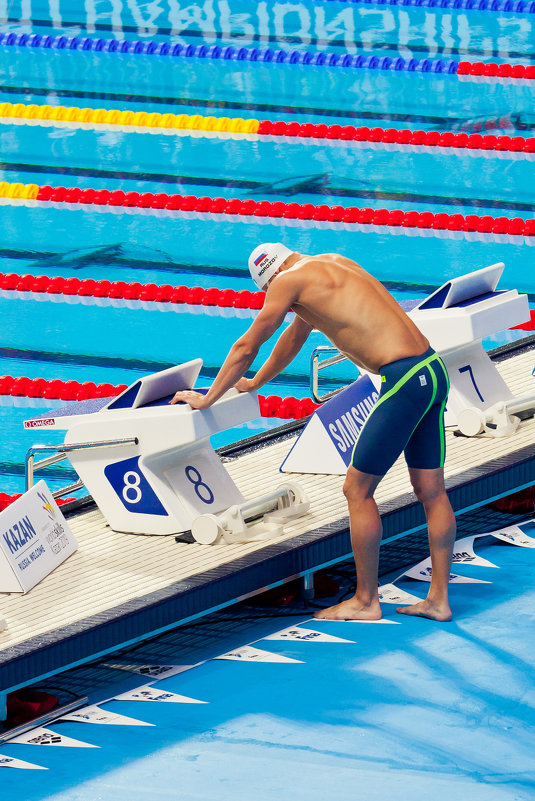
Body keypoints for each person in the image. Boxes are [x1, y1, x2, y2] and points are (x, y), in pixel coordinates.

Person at [171, 243, 456, 622]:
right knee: (432, 491)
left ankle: (366, 601)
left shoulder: (286, 282)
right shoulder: (329, 264)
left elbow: (245, 346)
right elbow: (294, 337)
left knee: (357, 490)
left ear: (268, 279)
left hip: (403, 380)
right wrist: (255, 383)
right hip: (432, 371)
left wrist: (208, 398)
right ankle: (438, 600)